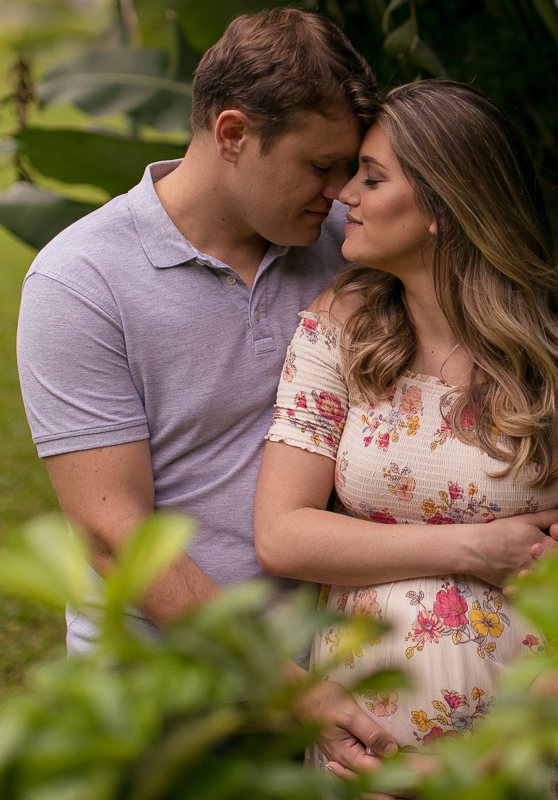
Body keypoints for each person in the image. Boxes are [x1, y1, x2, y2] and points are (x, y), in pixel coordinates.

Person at [15, 7, 397, 773]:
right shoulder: (80, 281)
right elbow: (112, 530)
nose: (338, 190)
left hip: (328, 658)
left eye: (348, 168)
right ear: (232, 135)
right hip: (159, 695)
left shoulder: (345, 249)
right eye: (319, 166)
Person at [253, 80, 558, 769]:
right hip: (363, 754)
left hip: (523, 758)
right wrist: (475, 549)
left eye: (372, 179)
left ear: (443, 207)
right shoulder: (338, 335)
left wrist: (493, 760)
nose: (346, 195)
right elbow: (282, 535)